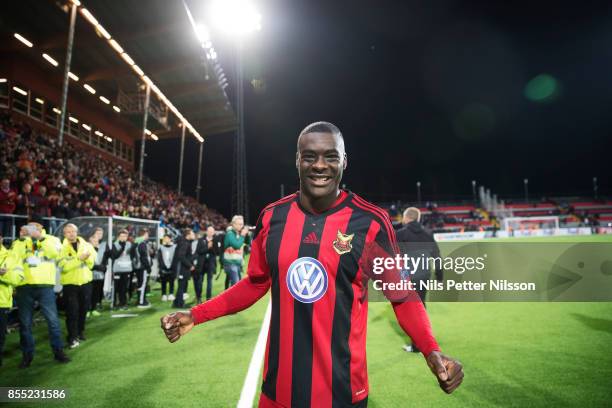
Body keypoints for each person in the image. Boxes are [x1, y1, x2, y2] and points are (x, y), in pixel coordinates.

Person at [161, 122, 463, 407]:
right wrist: (195, 315)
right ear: (297, 161)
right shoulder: (271, 217)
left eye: (331, 156)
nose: (320, 165)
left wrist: (430, 349)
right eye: (310, 156)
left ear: (345, 161)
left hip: (343, 393)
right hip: (278, 391)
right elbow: (255, 283)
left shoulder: (371, 223)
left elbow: (402, 295)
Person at [16, 222, 70, 367]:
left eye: (35, 228)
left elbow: (53, 253)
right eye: (29, 227)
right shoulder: (21, 241)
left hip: (45, 286)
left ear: (40, 228)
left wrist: (40, 238)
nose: (31, 230)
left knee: (52, 321)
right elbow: (15, 257)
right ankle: (27, 355)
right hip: (24, 286)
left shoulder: (52, 239)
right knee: (25, 324)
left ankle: (58, 351)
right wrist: (21, 239)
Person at [396, 207, 444, 353]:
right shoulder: (427, 233)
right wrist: (440, 276)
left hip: (408, 275)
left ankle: (417, 344)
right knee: (421, 307)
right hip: (424, 274)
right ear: (417, 219)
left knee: (410, 310)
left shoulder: (401, 234)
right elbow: (437, 256)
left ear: (406, 218)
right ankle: (424, 342)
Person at [58, 223, 95, 349]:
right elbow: (63, 267)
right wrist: (79, 259)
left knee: (83, 310)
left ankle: (80, 331)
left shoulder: (87, 245)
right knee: (72, 312)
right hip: (70, 284)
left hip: (85, 282)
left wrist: (86, 259)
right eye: (68, 232)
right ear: (64, 234)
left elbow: (92, 263)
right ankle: (72, 337)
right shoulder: (61, 248)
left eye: (73, 231)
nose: (71, 233)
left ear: (77, 231)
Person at [0, 233, 25, 366]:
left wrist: (3, 275)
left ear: (1, 238)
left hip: (2, 301)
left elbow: (17, 279)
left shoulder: (12, 256)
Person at [110, 229, 134, 310]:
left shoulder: (129, 244)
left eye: (125, 236)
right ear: (118, 237)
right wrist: (122, 248)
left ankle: (123, 303)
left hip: (127, 269)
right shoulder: (114, 244)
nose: (123, 238)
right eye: (122, 236)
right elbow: (115, 256)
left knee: (124, 288)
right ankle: (114, 303)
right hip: (117, 269)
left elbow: (132, 255)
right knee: (116, 287)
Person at [172, 228, 196, 308]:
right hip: (182, 268)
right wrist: (190, 265)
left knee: (182, 285)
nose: (194, 235)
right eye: (192, 234)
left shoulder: (185, 242)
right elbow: (181, 256)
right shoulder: (184, 243)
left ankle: (176, 302)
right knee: (182, 285)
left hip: (183, 268)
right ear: (188, 235)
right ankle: (180, 304)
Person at [223, 215, 247, 287]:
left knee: (238, 284)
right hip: (230, 263)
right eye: (239, 224)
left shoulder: (237, 234)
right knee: (236, 285)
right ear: (233, 224)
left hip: (237, 263)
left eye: (242, 224)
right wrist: (243, 235)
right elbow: (237, 245)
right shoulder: (229, 234)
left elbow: (247, 243)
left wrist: (246, 235)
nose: (241, 226)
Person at [88, 227, 108, 315]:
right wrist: (98, 267)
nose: (96, 243)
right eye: (94, 241)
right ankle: (87, 310)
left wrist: (103, 267)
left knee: (96, 292)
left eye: (97, 241)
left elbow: (102, 259)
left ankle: (93, 308)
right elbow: (87, 264)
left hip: (99, 275)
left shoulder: (99, 249)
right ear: (90, 242)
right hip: (89, 276)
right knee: (89, 293)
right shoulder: (87, 250)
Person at [134, 229, 152, 308]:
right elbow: (143, 256)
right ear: (144, 234)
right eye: (147, 234)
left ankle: (141, 300)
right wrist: (148, 267)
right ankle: (141, 302)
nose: (148, 236)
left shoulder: (137, 242)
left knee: (141, 284)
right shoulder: (141, 243)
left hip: (139, 266)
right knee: (142, 284)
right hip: (142, 267)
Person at [157, 234, 176, 302]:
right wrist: (161, 267)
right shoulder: (161, 248)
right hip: (163, 267)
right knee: (163, 282)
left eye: (167, 238)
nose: (166, 239)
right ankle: (164, 294)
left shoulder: (174, 247)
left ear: (170, 239)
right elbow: (159, 258)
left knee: (171, 281)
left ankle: (171, 294)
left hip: (172, 267)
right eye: (165, 238)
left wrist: (173, 266)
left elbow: (175, 258)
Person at [202, 226, 218, 300]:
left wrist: (211, 247)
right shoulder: (201, 239)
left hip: (211, 263)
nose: (210, 233)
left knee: (209, 280)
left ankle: (208, 297)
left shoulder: (216, 240)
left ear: (214, 232)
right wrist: (207, 247)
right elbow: (199, 251)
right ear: (206, 232)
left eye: (212, 232)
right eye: (209, 231)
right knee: (200, 281)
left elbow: (217, 252)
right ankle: (198, 297)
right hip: (202, 263)